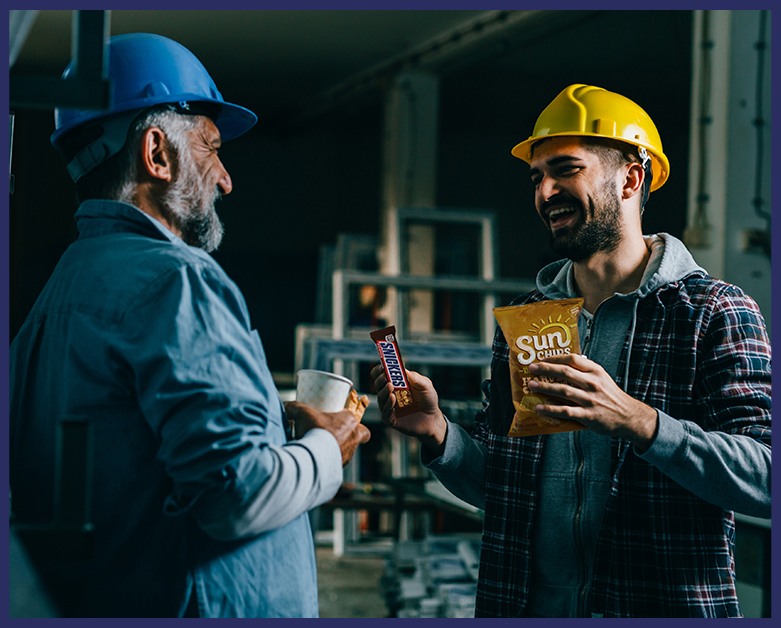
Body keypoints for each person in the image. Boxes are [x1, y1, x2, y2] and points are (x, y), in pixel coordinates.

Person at [371, 84, 771, 618]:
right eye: (537, 177)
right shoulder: (529, 319)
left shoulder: (712, 312)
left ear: (632, 176)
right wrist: (441, 435)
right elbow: (507, 490)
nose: (545, 191)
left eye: (566, 169)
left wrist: (640, 421)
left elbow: (765, 478)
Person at [9, 33, 370, 618]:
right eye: (211, 148)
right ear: (158, 153)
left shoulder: (58, 294)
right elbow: (234, 494)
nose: (225, 179)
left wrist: (268, 425)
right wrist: (329, 448)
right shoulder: (176, 281)